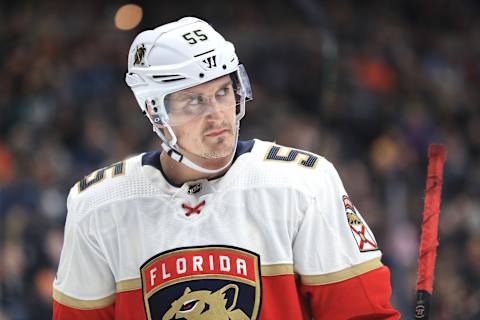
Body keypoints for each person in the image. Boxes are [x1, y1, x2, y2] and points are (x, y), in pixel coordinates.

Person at [52, 17, 400, 319]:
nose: (217, 114)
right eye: (194, 100)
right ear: (155, 112)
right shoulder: (98, 205)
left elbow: (362, 313)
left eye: (222, 92)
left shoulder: (303, 183)